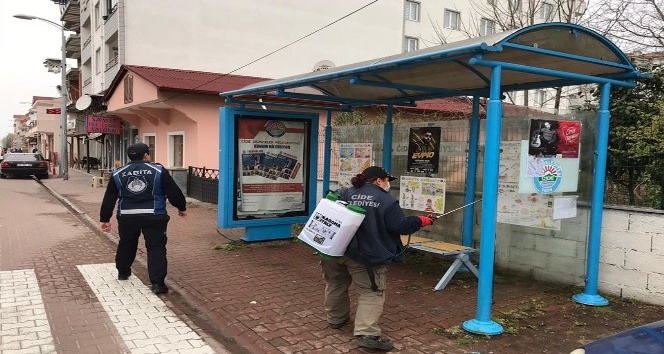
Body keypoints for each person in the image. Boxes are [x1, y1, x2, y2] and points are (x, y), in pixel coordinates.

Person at [321, 166, 434, 351]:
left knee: (335, 284)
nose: (388, 184)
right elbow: (400, 226)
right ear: (379, 181)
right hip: (365, 257)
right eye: (387, 180)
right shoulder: (385, 199)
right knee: (371, 293)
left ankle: (336, 320)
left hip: (333, 250)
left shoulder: (345, 192)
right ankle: (367, 334)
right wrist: (420, 220)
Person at [99, 143, 187, 295]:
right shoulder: (158, 170)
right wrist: (181, 207)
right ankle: (158, 284)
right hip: (154, 215)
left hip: (127, 216)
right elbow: (173, 191)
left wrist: (105, 219)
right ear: (146, 155)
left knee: (126, 243)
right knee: (156, 247)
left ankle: (123, 272)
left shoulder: (118, 173)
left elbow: (109, 198)